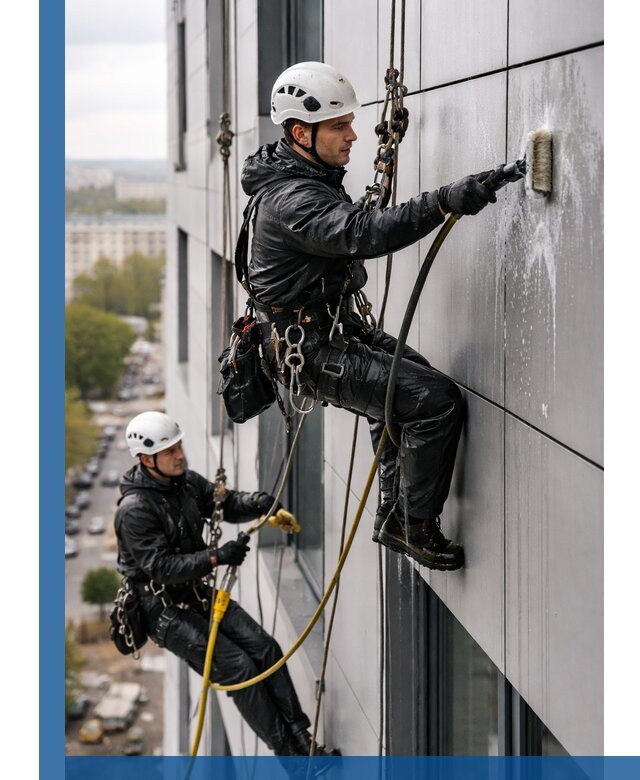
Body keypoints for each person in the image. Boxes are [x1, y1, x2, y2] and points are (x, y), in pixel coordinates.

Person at [241, 61, 499, 572]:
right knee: (433, 402)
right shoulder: (293, 198)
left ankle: (393, 512)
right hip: (309, 348)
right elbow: (365, 233)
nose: (352, 135)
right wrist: (444, 200)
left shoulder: (303, 177)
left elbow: (356, 223)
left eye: (350, 123)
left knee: (411, 387)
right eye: (339, 126)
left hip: (326, 332)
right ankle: (412, 524)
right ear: (301, 133)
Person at [115, 411, 337, 758]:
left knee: (265, 649)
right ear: (147, 459)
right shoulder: (135, 509)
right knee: (239, 668)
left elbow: (225, 503)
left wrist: (259, 503)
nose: (180, 455)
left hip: (194, 594)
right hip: (163, 611)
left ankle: (302, 740)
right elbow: (161, 567)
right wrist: (216, 557)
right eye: (170, 451)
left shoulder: (186, 483)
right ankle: (293, 759)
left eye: (179, 447)